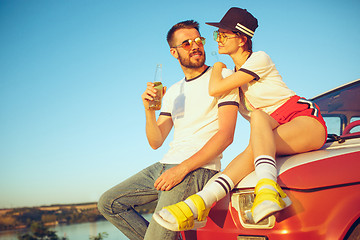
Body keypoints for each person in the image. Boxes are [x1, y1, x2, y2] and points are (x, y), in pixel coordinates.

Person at [154, 7, 328, 230]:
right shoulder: (236, 74)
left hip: (303, 119)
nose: (218, 39)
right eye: (218, 35)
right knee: (252, 147)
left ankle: (267, 188)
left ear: (242, 39)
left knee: (257, 118)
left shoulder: (258, 59)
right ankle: (196, 205)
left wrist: (217, 66)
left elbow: (214, 88)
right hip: (270, 128)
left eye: (224, 34)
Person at [97, 20, 240, 240]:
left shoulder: (222, 78)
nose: (195, 46)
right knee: (109, 203)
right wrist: (148, 111)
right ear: (174, 52)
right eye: (186, 43)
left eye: (198, 40)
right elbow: (156, 141)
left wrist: (181, 169)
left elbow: (226, 136)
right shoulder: (174, 91)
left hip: (196, 169)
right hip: (166, 165)